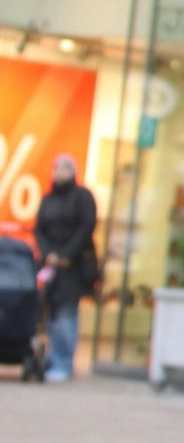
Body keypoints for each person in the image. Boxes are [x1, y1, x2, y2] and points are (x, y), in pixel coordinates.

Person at [33, 153, 99, 383]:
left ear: (73, 171)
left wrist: (66, 255)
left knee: (66, 313)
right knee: (51, 313)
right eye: (56, 168)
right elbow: (39, 228)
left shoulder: (82, 197)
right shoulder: (48, 199)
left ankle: (63, 362)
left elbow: (86, 226)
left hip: (73, 266)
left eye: (65, 168)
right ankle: (54, 358)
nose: (59, 172)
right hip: (51, 265)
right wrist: (48, 254)